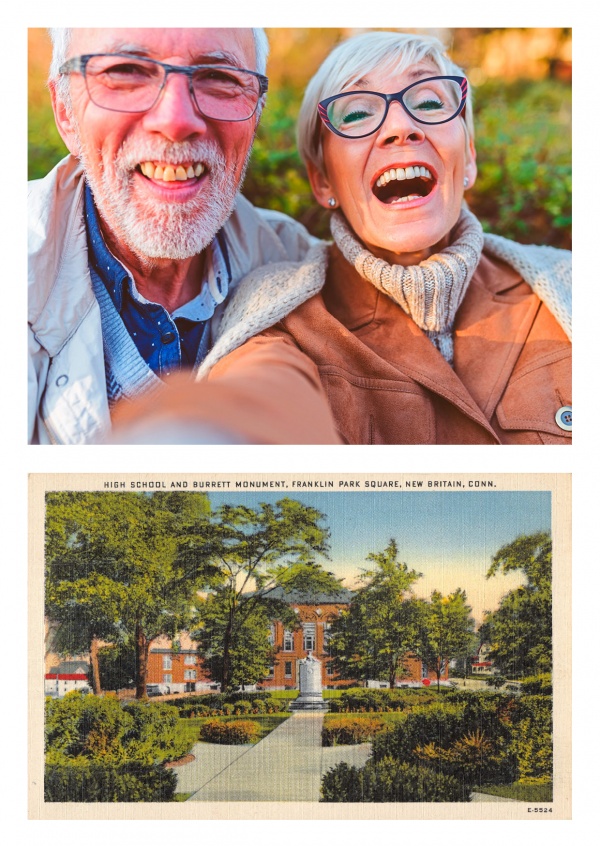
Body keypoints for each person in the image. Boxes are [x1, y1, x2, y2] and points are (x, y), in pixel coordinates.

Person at [180, 30, 570, 445]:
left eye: (430, 103)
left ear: (469, 157)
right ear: (322, 180)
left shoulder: (568, 284)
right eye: (356, 114)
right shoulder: (281, 319)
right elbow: (255, 399)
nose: (402, 127)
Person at [28, 27, 339, 444]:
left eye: (219, 78)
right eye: (126, 72)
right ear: (65, 111)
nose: (175, 121)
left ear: (256, 113)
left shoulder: (299, 266)